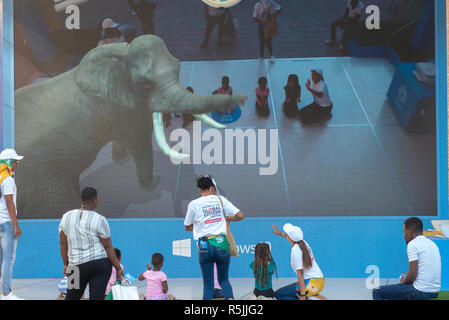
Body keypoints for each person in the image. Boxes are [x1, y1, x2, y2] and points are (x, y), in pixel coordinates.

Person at [184, 175, 245, 300]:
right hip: (221, 242)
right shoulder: (220, 200)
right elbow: (240, 216)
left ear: (200, 190)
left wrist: (201, 227)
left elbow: (187, 226)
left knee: (208, 286)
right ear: (212, 188)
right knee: (224, 280)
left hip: (204, 244)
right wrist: (227, 218)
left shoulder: (194, 204)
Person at [59, 187, 123, 300]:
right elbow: (108, 246)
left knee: (72, 297)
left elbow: (63, 243)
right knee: (97, 297)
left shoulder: (66, 217)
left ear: (82, 199)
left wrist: (66, 264)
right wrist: (117, 267)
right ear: (94, 200)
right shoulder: (100, 219)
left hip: (75, 266)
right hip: (99, 265)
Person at [372, 217, 441, 300]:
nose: (404, 235)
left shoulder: (413, 244)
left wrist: (403, 282)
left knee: (377, 291)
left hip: (420, 291)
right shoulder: (432, 244)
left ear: (411, 233)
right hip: (435, 292)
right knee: (399, 290)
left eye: (404, 232)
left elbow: (412, 275)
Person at [272, 223, 325, 300]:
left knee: (278, 295)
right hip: (320, 282)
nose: (286, 235)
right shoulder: (303, 243)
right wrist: (280, 234)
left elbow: (300, 274)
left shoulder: (296, 251)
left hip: (311, 285)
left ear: (290, 238)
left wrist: (302, 295)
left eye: (287, 234)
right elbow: (291, 238)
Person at [0, 149, 24, 300]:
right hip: (7, 224)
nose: (17, 164)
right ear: (8, 162)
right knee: (8, 259)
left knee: (1, 259)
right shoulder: (7, 179)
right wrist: (16, 225)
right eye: (15, 161)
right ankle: (6, 293)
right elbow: (9, 202)